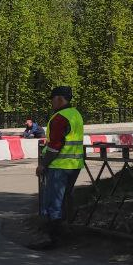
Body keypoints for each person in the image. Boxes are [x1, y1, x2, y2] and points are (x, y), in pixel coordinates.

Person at [34, 87, 86, 249]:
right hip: (74, 165)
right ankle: (66, 233)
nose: (51, 102)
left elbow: (55, 145)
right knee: (65, 199)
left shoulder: (59, 117)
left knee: (53, 202)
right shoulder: (76, 114)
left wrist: (43, 164)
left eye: (52, 98)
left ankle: (54, 240)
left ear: (59, 99)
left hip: (59, 166)